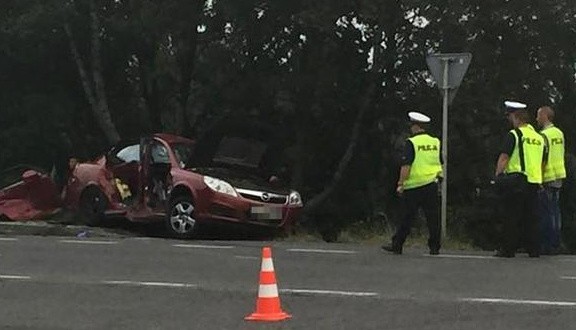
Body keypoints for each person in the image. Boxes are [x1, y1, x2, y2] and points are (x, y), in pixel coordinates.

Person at [382, 111, 443, 255]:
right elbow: (440, 162)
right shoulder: (435, 142)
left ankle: (397, 244)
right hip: (431, 184)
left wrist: (400, 184)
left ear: (415, 126)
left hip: (414, 186)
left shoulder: (412, 142)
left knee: (407, 217)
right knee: (433, 218)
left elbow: (406, 166)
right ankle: (434, 247)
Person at [493, 101, 545, 258]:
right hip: (535, 181)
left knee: (512, 216)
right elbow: (543, 160)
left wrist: (498, 175)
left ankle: (508, 249)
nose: (509, 120)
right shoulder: (539, 137)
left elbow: (504, 157)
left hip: (517, 180)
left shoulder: (515, 135)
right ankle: (534, 249)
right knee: (531, 217)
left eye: (510, 116)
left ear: (516, 117)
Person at [536, 105, 566, 255]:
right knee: (555, 211)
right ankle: (556, 242)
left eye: (538, 115)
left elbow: (543, 158)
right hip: (558, 176)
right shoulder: (559, 133)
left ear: (545, 116)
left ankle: (547, 244)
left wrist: (539, 178)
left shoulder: (544, 135)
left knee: (547, 212)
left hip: (547, 176)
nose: (537, 118)